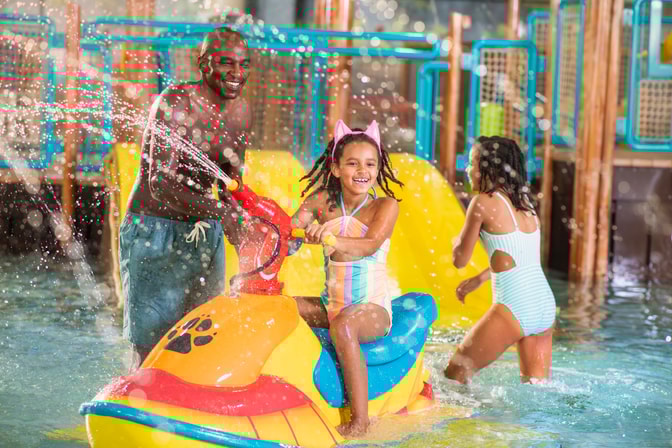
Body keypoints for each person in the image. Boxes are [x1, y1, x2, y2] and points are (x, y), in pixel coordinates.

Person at [120, 27, 253, 370]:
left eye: (244, 64)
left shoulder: (241, 112)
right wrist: (223, 213)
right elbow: (161, 183)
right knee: (150, 346)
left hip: (202, 232)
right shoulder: (176, 102)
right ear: (203, 64)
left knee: (201, 338)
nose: (237, 73)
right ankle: (136, 411)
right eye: (226, 62)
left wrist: (245, 216)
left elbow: (229, 179)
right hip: (154, 229)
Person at [291, 119, 404, 437]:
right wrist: (297, 234)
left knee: (344, 325)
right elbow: (288, 232)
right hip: (331, 306)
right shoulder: (321, 202)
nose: (362, 171)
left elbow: (369, 245)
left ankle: (360, 421)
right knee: (278, 307)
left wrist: (330, 238)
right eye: (353, 163)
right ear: (337, 168)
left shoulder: (385, 206)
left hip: (372, 310)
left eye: (370, 164)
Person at [444, 136, 556, 384]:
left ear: (488, 167)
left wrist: (456, 243)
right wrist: (481, 279)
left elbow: (459, 260)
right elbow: (520, 257)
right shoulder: (526, 203)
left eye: (472, 163)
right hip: (544, 304)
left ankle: (473, 422)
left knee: (454, 376)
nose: (468, 169)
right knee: (537, 393)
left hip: (514, 306)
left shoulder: (482, 202)